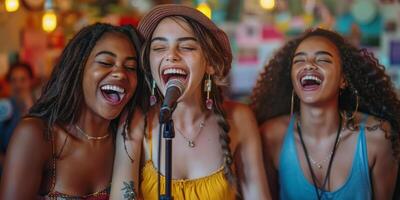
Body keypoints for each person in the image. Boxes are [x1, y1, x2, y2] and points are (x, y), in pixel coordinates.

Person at [110, 4, 270, 200]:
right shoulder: (135, 121)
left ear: (210, 63)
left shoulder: (239, 118)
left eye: (186, 47)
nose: (171, 56)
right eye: (159, 48)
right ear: (150, 66)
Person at [0, 22, 146, 199]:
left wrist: (131, 142)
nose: (121, 74)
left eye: (131, 67)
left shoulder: (128, 137)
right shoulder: (36, 135)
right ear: (78, 68)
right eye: (106, 62)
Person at [251, 28, 400, 200]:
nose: (308, 65)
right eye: (299, 61)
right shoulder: (271, 136)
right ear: (292, 78)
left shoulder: (378, 137)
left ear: (343, 79)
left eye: (323, 59)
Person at [0, 62, 36, 175]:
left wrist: (28, 104)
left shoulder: (40, 107)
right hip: (9, 171)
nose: (18, 85)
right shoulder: (4, 108)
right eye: (13, 80)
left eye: (22, 80)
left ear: (31, 81)